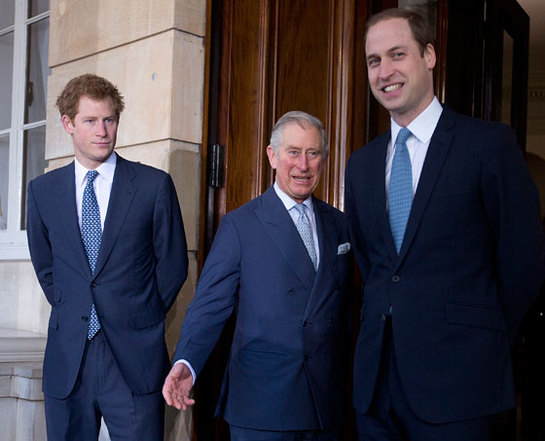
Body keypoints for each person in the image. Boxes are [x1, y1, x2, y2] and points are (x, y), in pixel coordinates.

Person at [344, 8, 545, 441]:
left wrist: (479, 338)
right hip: (375, 389)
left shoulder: (488, 146)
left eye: (398, 54)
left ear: (429, 55)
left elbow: (523, 263)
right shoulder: (359, 167)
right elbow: (375, 263)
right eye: (374, 60)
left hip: (461, 385)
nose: (385, 71)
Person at [163, 111, 353, 440]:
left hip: (327, 405)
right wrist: (187, 362)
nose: (303, 165)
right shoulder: (241, 226)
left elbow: (349, 309)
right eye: (293, 152)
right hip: (264, 404)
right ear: (272, 156)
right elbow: (209, 307)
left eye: (313, 153)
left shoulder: (340, 224)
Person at [26, 73, 188, 440]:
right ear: (68, 124)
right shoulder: (42, 191)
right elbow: (46, 266)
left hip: (134, 358)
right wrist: (76, 306)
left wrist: (140, 314)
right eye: (90, 121)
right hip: (69, 359)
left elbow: (174, 264)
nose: (103, 130)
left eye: (109, 120)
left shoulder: (153, 186)